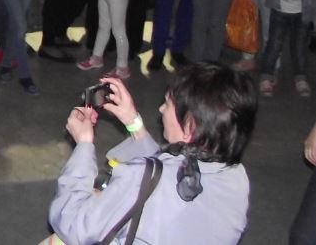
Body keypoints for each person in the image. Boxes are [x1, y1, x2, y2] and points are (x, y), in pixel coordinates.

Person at [49, 65, 255, 244]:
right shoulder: (237, 177)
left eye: (167, 103)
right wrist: (133, 121)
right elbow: (168, 173)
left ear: (189, 126)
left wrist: (84, 145)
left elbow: (73, 225)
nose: (161, 109)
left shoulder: (139, 177)